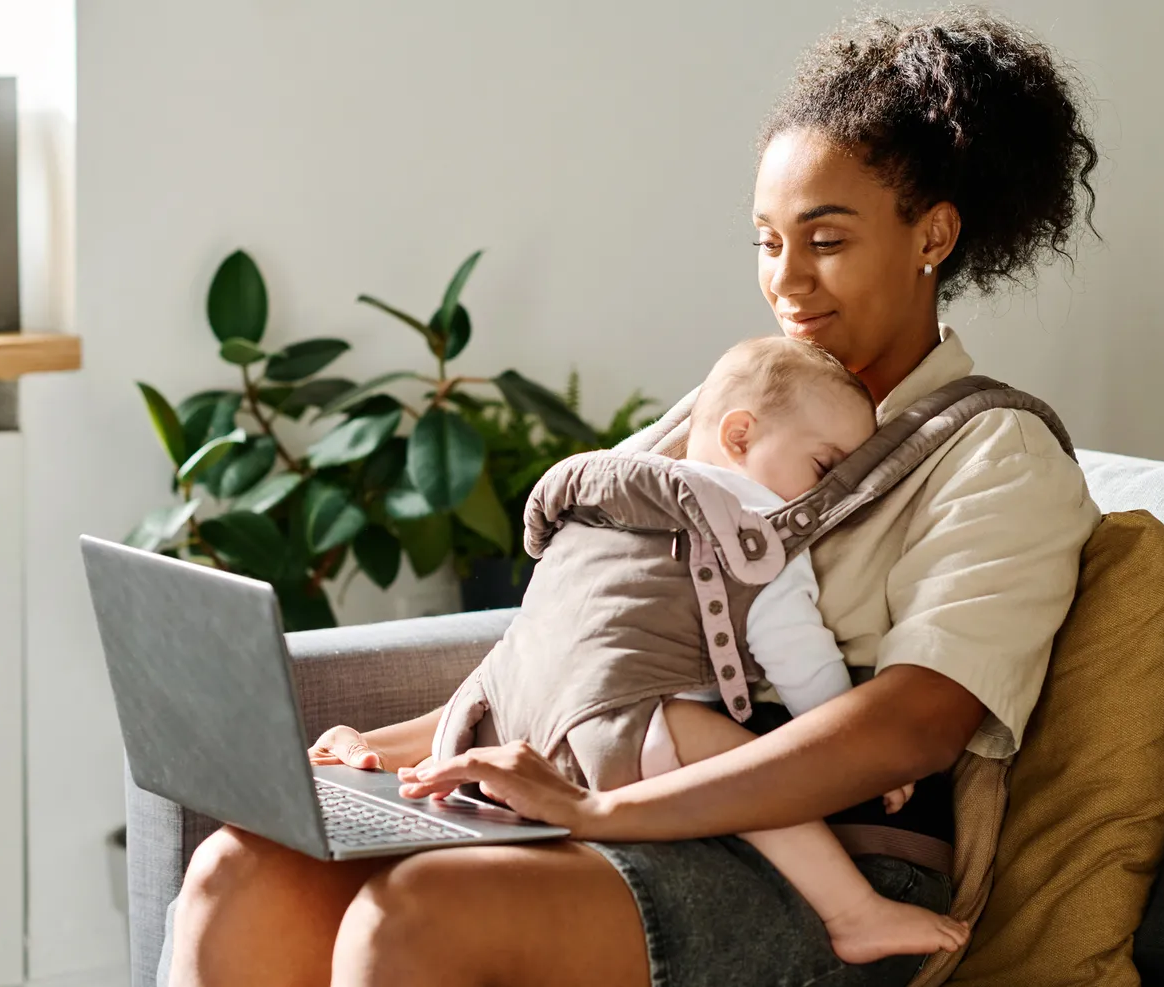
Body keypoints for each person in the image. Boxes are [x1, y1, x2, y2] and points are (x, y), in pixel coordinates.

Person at [167, 9, 1102, 987]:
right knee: (241, 869)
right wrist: (395, 749)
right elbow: (587, 644)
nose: (787, 281)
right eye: (766, 240)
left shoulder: (997, 455)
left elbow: (909, 727)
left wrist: (611, 815)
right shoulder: (722, 412)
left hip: (834, 860)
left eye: (825, 239)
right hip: (626, 784)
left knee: (419, 919)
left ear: (934, 235)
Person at [424, 334, 971, 964]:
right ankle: (854, 911)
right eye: (823, 468)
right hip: (620, 731)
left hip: (503, 729)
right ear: (740, 437)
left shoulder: (602, 500)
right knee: (757, 775)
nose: (825, 501)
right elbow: (797, 653)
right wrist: (868, 759)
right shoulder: (750, 523)